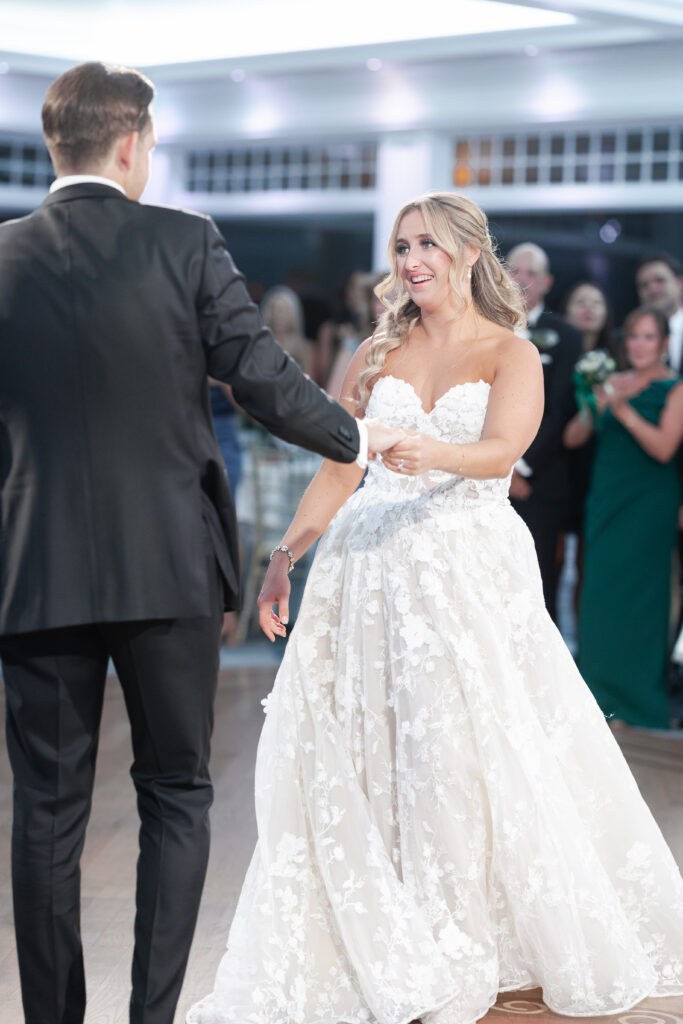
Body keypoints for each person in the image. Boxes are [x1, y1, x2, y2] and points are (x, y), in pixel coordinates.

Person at [188, 193, 683, 1024]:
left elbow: (500, 453)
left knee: (462, 746)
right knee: (369, 739)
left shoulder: (509, 351)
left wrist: (426, 451)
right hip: (365, 570)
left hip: (462, 568)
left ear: (465, 253)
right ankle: (386, 923)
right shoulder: (377, 354)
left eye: (426, 244)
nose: (411, 258)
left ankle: (472, 929)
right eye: (400, 244)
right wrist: (285, 555)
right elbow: (340, 467)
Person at [0, 61, 401, 1024]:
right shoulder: (184, 241)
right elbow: (261, 379)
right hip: (169, 563)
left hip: (32, 566)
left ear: (59, 145)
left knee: (45, 813)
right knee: (176, 793)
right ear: (133, 144)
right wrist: (360, 439)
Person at [564, 307, 683, 729]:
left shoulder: (675, 389)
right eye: (633, 337)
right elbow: (573, 437)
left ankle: (637, 704)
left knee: (642, 601)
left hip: (650, 504)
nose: (638, 345)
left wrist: (624, 409)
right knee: (598, 595)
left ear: (664, 343)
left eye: (648, 337)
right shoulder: (611, 382)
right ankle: (598, 696)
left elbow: (664, 449)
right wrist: (592, 406)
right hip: (607, 501)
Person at [506, 243, 582, 621]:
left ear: (547, 282)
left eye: (531, 272)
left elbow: (559, 411)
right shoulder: (488, 329)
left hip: (539, 480)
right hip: (488, 477)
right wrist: (499, 470)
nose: (521, 279)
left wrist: (519, 467)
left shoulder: (565, 336)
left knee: (537, 584)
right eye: (514, 270)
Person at [635, 253, 683, 373]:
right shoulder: (627, 339)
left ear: (680, 284)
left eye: (660, 280)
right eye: (644, 285)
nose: (652, 289)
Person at [260, 285, 314, 374]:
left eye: (283, 311)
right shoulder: (260, 345)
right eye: (275, 310)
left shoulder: (304, 347)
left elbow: (309, 379)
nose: (279, 316)